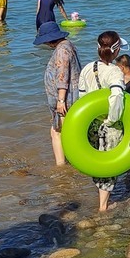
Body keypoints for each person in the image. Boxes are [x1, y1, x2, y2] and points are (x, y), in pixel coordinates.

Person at [77, 30, 129, 212]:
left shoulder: (87, 68)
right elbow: (116, 96)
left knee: (97, 161)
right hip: (109, 125)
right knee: (108, 164)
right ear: (116, 51)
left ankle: (102, 201)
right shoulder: (115, 72)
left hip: (91, 124)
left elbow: (81, 100)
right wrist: (112, 119)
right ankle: (103, 206)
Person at [37, 21, 80, 167]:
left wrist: (61, 101)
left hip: (66, 99)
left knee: (58, 132)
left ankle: (61, 166)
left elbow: (63, 75)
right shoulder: (67, 45)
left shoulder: (62, 50)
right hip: (69, 96)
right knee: (62, 131)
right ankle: (68, 162)